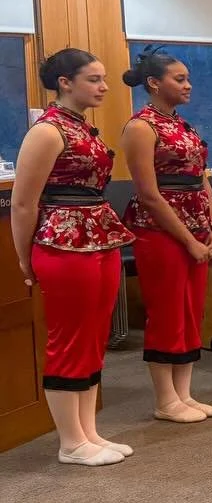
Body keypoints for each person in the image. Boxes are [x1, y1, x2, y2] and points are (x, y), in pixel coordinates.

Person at [9, 49, 135, 466]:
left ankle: (88, 432)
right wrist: (25, 258)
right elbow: (24, 204)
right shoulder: (46, 132)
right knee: (67, 338)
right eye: (94, 79)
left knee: (94, 334)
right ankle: (70, 442)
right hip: (62, 240)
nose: (103, 87)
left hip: (98, 234)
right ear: (65, 81)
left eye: (103, 79)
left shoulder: (83, 127)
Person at [120, 48, 212, 424]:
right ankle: (165, 399)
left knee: (191, 309)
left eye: (187, 78)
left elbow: (202, 178)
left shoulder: (183, 124)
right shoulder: (140, 127)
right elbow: (148, 193)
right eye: (179, 79)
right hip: (159, 230)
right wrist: (188, 240)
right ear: (153, 83)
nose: (188, 85)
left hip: (197, 225)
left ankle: (184, 393)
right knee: (166, 311)